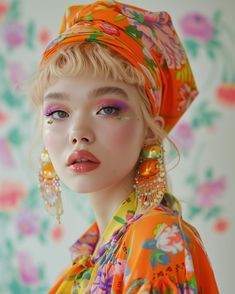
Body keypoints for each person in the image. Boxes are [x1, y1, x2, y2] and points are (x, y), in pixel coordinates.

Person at [29, 0, 219, 293]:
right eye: (58, 113)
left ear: (149, 130)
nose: (78, 133)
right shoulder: (88, 257)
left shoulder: (155, 238)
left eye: (106, 109)